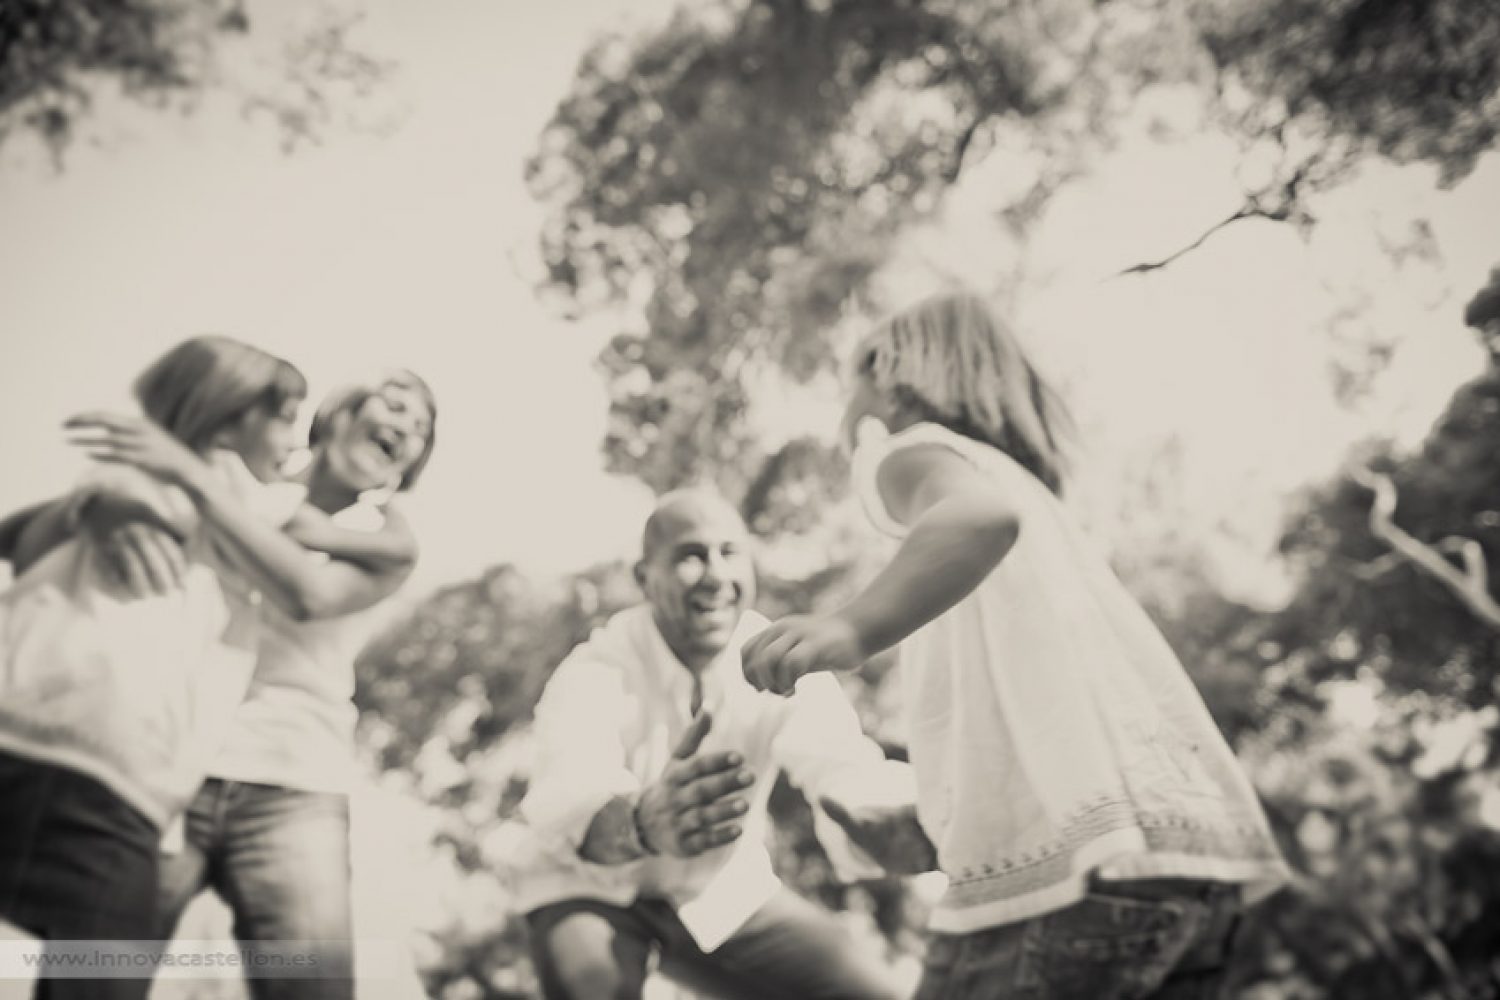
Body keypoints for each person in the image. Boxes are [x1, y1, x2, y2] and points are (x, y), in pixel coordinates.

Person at [742, 292, 1292, 1000]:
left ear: (890, 378)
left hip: (1072, 884)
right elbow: (1035, 730)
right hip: (1187, 865)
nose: (846, 411)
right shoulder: (1031, 496)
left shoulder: (908, 452)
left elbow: (979, 516)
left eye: (853, 381)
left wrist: (849, 628)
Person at [21, 369, 437, 1000]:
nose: (405, 424)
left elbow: (307, 592)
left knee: (311, 988)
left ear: (402, 471)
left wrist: (195, 486)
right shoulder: (240, 479)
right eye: (396, 404)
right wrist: (100, 506)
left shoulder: (385, 537)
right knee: (94, 974)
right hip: (167, 764)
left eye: (421, 429)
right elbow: (34, 535)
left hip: (293, 781)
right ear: (341, 411)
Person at [506, 489, 915, 1000]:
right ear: (644, 578)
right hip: (589, 891)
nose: (717, 575)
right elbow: (570, 802)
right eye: (691, 556)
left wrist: (884, 819)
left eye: (730, 552)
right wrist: (641, 823)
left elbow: (843, 767)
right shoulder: (594, 671)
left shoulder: (778, 654)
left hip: (721, 892)